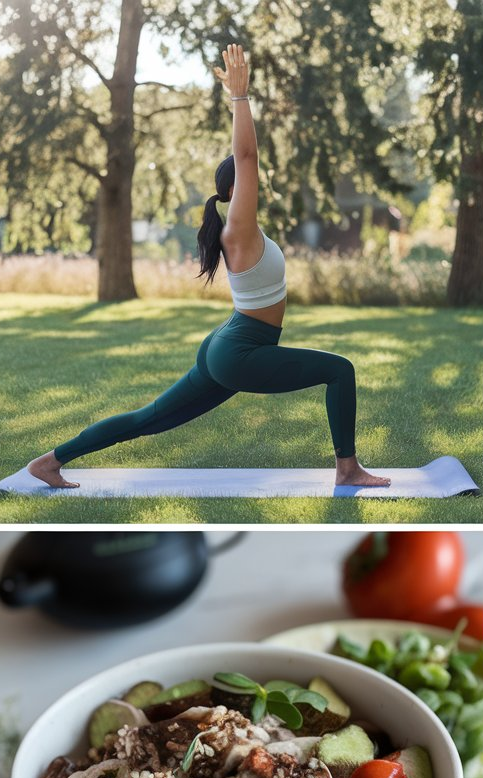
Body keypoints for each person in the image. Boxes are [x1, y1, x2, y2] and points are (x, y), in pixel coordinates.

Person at [28, 43, 388, 490]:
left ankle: (50, 461)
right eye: (250, 179)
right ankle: (348, 468)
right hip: (240, 352)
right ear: (236, 186)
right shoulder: (237, 227)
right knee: (340, 370)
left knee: (150, 419)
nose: (257, 182)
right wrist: (240, 97)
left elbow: (247, 165)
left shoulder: (239, 231)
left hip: (227, 344)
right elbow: (247, 157)